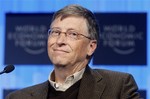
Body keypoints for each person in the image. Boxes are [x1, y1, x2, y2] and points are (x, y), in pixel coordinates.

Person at [6, 4, 140, 99]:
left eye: (72, 34)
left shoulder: (118, 87)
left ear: (91, 47)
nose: (60, 41)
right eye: (55, 32)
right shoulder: (17, 97)